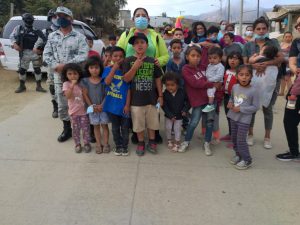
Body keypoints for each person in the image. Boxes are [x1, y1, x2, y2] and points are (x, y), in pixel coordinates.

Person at [117, 7, 169, 144]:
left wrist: (160, 61)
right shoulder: (126, 34)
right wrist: (120, 66)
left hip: (151, 74)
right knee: (134, 106)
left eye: (144, 15)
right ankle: (136, 133)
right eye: (138, 15)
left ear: (148, 18)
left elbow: (165, 55)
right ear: (133, 19)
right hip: (131, 75)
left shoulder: (156, 36)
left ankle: (154, 134)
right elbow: (118, 53)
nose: (141, 17)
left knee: (152, 105)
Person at [43, 6, 89, 142]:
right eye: (58, 16)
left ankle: (87, 128)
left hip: (76, 76)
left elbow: (83, 55)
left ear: (71, 18)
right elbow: (46, 55)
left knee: (81, 101)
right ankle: (67, 129)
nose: (61, 19)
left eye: (64, 16)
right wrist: (55, 66)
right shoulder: (52, 36)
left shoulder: (80, 37)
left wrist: (66, 66)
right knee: (63, 103)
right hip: (59, 76)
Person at [243, 16, 284, 149]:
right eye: (258, 29)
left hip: (271, 81)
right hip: (252, 80)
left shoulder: (273, 42)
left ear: (267, 29)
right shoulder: (248, 45)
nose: (261, 31)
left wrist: (266, 63)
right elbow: (244, 63)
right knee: (252, 108)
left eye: (264, 28)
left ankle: (267, 137)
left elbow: (281, 59)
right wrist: (253, 66)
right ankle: (250, 134)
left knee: (268, 108)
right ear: (254, 30)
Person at [123, 32, 163, 156]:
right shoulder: (128, 61)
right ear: (133, 47)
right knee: (138, 124)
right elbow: (126, 79)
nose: (139, 45)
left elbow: (157, 79)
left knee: (152, 123)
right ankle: (141, 143)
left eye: (142, 42)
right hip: (136, 101)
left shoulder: (152, 61)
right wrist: (135, 67)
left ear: (147, 45)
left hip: (151, 99)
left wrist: (160, 95)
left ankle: (152, 141)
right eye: (136, 43)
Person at [178, 46, 220, 156]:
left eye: (198, 56)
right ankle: (186, 142)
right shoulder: (185, 69)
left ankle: (207, 143)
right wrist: (212, 84)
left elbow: (215, 76)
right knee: (193, 123)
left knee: (209, 122)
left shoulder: (204, 67)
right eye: (193, 56)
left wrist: (217, 83)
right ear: (187, 57)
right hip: (197, 101)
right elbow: (195, 83)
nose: (196, 58)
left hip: (210, 100)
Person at [276, 17, 300, 161]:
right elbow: (292, 61)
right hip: (297, 88)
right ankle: (294, 151)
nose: (298, 27)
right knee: (289, 120)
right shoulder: (297, 43)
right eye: (298, 25)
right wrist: (296, 70)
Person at [227, 65, 260, 170]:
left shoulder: (254, 90)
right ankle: (239, 155)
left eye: (247, 75)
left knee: (241, 140)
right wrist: (230, 103)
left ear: (251, 76)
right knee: (234, 139)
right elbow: (231, 98)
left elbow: (255, 107)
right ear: (237, 76)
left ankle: (247, 159)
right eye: (241, 75)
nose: (244, 77)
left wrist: (241, 109)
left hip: (244, 120)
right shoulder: (235, 87)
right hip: (233, 117)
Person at [102, 47, 131, 156]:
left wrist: (127, 105)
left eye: (121, 56)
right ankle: (118, 146)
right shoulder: (107, 69)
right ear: (111, 57)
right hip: (111, 106)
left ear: (124, 58)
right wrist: (114, 68)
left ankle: (125, 146)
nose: (118, 58)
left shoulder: (127, 71)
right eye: (115, 56)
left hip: (124, 107)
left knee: (125, 128)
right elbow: (107, 82)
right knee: (115, 128)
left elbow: (128, 90)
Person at [10, 13, 47, 93]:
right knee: (22, 70)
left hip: (35, 53)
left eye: (30, 20)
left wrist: (41, 49)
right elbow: (12, 36)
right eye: (27, 20)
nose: (29, 21)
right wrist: (15, 44)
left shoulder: (37, 30)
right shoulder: (19, 28)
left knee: (37, 69)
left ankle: (39, 86)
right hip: (24, 52)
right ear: (24, 20)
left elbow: (44, 40)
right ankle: (22, 86)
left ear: (33, 21)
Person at [34, 9, 60, 118]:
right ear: (50, 19)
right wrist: (42, 50)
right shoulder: (45, 32)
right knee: (52, 86)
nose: (56, 19)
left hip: (66, 63)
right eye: (54, 17)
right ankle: (55, 107)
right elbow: (36, 48)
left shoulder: (67, 30)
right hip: (52, 64)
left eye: (57, 16)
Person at [81, 56, 110, 154]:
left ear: (100, 68)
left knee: (104, 126)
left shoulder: (104, 80)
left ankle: (106, 144)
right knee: (96, 127)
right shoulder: (85, 81)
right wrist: (92, 106)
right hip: (92, 109)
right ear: (88, 69)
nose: (94, 70)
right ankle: (98, 144)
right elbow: (85, 94)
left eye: (97, 67)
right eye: (91, 68)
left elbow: (108, 94)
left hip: (104, 107)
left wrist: (102, 105)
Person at [62, 63, 91, 153]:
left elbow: (85, 95)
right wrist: (72, 85)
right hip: (73, 112)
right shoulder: (66, 84)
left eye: (75, 73)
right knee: (76, 130)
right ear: (66, 75)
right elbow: (68, 96)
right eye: (69, 74)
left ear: (79, 74)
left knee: (86, 129)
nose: (72, 76)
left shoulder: (81, 83)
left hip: (84, 112)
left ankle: (86, 143)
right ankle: (77, 144)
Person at [162, 72, 190, 152]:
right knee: (168, 128)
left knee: (177, 129)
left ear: (177, 84)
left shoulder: (182, 92)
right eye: (167, 85)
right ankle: (169, 140)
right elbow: (164, 106)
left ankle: (177, 142)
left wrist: (185, 110)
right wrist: (170, 115)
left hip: (179, 115)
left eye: (172, 85)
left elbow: (188, 102)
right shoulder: (165, 94)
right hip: (168, 116)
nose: (170, 87)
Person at [221, 51, 243, 145]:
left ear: (240, 61)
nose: (232, 60)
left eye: (235, 58)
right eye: (230, 58)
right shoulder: (226, 71)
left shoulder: (241, 73)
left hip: (236, 98)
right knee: (228, 116)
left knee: (236, 118)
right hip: (226, 97)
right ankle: (231, 134)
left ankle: (236, 140)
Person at [202, 47, 224, 113]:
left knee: (210, 91)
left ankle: (210, 105)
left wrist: (209, 80)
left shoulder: (220, 66)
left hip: (216, 82)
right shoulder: (209, 65)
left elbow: (219, 76)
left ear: (220, 58)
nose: (212, 60)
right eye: (210, 58)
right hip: (209, 81)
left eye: (215, 58)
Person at [279, 32, 293, 96]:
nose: (287, 38)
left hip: (289, 64)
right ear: (283, 37)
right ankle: (282, 92)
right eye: (286, 36)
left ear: (291, 37)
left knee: (288, 78)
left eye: (289, 36)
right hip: (281, 64)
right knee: (282, 78)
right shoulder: (280, 44)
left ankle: (290, 93)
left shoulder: (293, 45)